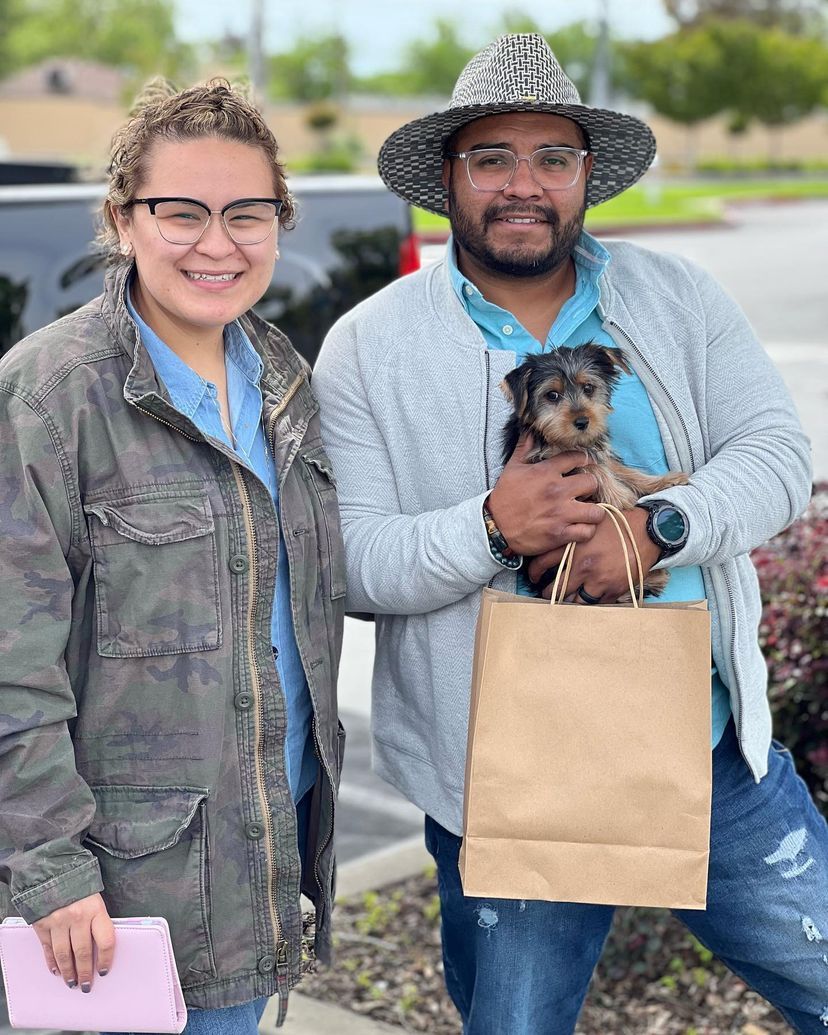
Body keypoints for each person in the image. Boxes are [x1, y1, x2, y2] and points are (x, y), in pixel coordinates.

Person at [313, 33, 828, 1035]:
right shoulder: (369, 347)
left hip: (707, 748)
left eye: (552, 158)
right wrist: (493, 528)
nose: (524, 184)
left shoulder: (679, 297)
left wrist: (659, 529)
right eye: (492, 158)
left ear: (586, 175)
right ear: (449, 178)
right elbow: (355, 562)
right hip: (502, 779)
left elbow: (774, 455)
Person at [0, 79, 346, 1033]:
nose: (217, 243)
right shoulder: (49, 396)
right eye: (181, 212)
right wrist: (51, 872)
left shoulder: (284, 380)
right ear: (123, 220)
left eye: (248, 213)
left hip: (264, 863)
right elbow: (10, 668)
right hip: (125, 898)